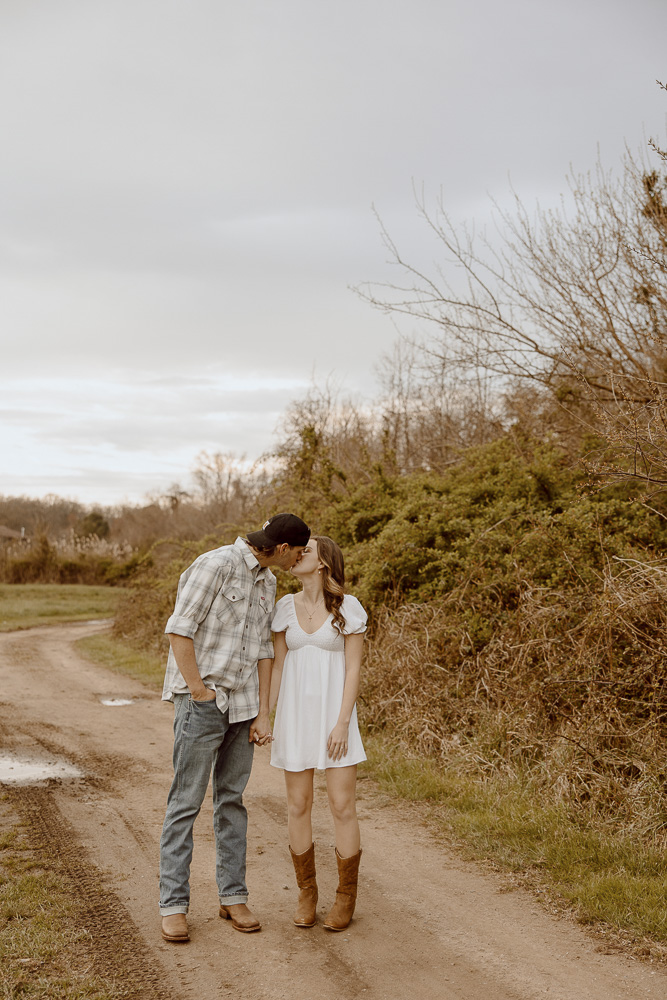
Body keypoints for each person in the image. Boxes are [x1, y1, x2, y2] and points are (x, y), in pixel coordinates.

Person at [159, 513, 310, 944]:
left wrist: (264, 712)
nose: (299, 559)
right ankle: (173, 905)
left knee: (232, 800)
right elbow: (179, 630)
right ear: (282, 548)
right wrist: (197, 691)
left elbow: (264, 650)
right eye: (298, 551)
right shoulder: (216, 564)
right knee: (185, 802)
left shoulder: (268, 581)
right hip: (202, 703)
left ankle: (233, 896)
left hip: (243, 708)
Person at [269, 535, 367, 932]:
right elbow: (275, 666)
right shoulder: (283, 609)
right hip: (294, 715)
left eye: (304, 551)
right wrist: (264, 715)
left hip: (335, 717)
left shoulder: (349, 608)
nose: (294, 556)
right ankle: (306, 891)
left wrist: (342, 721)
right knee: (298, 804)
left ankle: (346, 897)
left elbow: (355, 669)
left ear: (323, 562)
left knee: (342, 805)